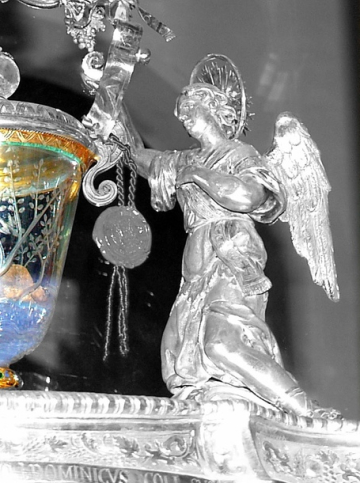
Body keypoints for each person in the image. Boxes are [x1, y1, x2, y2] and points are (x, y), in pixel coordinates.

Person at [115, 55, 337, 417]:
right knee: (177, 356)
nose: (183, 116)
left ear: (216, 109)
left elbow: (248, 196)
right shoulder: (184, 159)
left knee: (222, 343)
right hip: (196, 261)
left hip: (230, 249)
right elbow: (136, 156)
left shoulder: (239, 154)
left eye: (191, 106)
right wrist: (112, 102)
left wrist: (196, 174)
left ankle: (305, 410)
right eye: (182, 109)